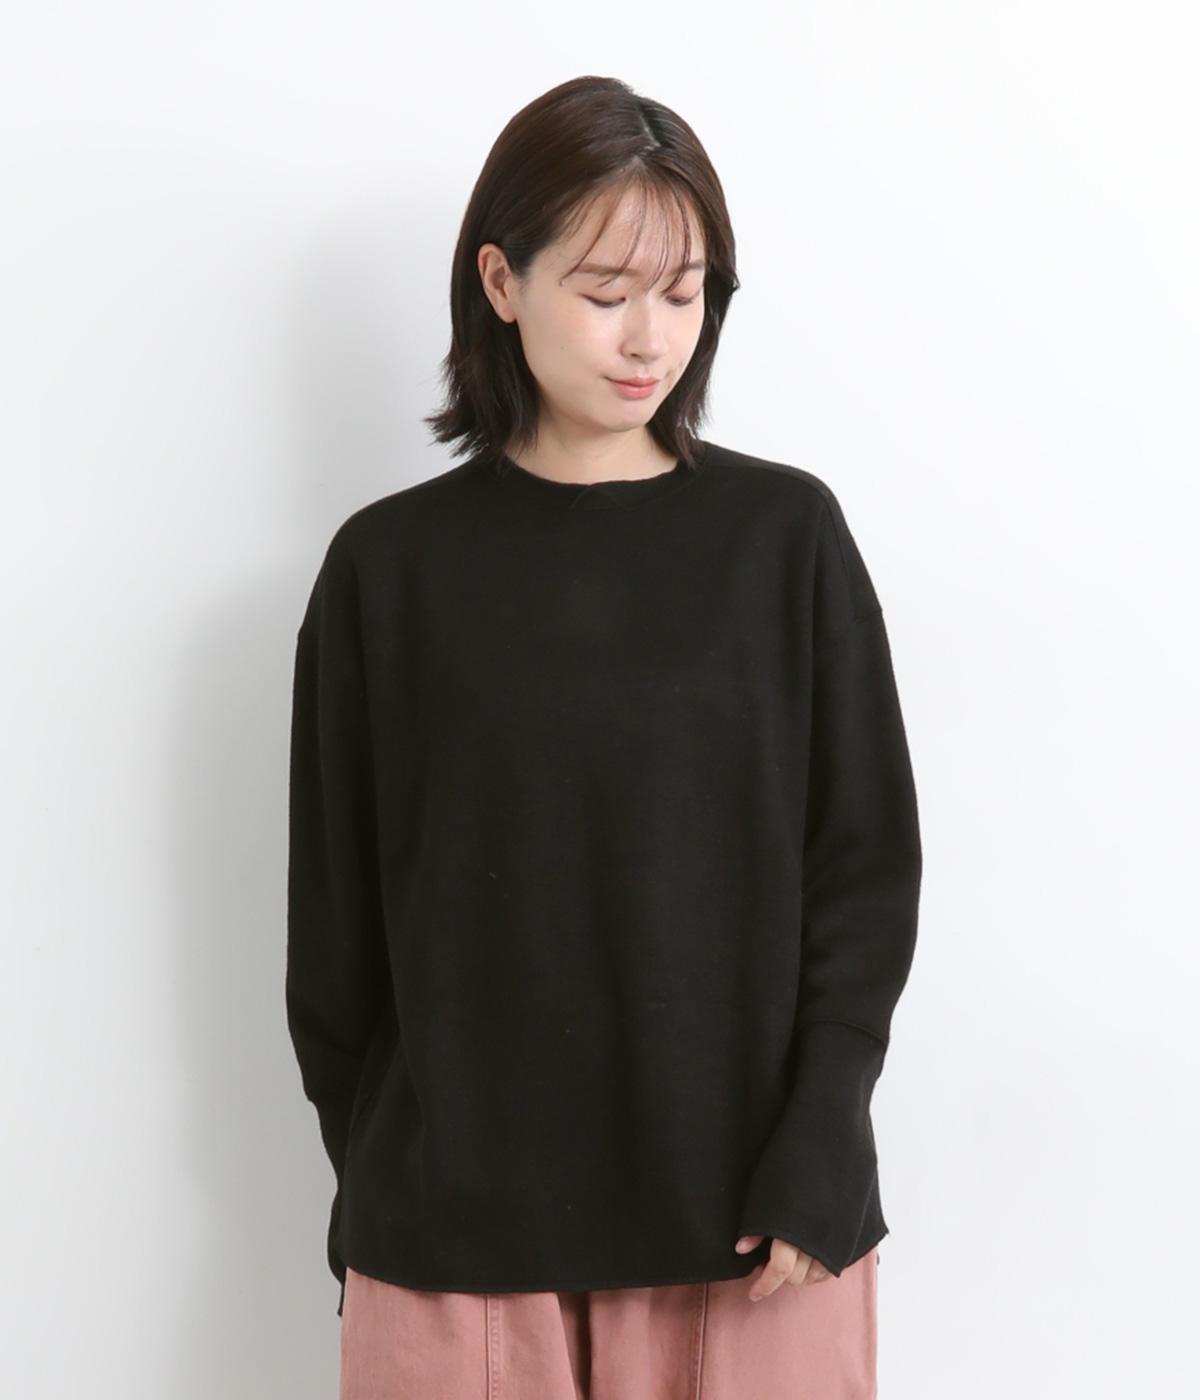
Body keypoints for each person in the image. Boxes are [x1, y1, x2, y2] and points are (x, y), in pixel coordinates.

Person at [286, 74, 922, 1399]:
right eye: (606, 290)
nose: (650, 338)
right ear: (501, 282)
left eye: (684, 294)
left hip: (755, 1233)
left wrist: (823, 1136)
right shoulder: (386, 573)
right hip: (452, 1247)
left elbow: (864, 874)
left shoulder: (785, 542)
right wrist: (391, 1183)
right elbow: (334, 944)